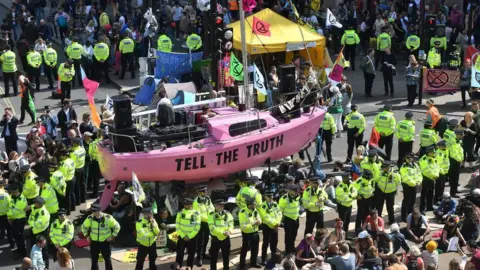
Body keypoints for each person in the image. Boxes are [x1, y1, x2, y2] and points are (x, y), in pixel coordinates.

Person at [81, 203, 120, 270]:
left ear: (99, 211)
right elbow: (83, 227)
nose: (92, 213)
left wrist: (112, 236)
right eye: (92, 211)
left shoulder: (108, 218)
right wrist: (86, 236)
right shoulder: (90, 218)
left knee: (107, 260)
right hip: (94, 242)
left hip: (105, 243)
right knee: (94, 261)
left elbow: (117, 226)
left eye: (94, 211)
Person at [208, 198, 233, 270]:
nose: (222, 206)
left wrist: (230, 231)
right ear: (215, 206)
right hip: (215, 240)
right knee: (213, 257)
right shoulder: (211, 215)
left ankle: (226, 268)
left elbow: (231, 223)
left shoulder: (227, 213)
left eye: (223, 205)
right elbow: (212, 228)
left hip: (226, 239)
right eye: (220, 205)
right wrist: (222, 233)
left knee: (226, 256)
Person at [175, 197, 201, 268]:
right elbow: (177, 225)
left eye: (187, 204)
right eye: (185, 204)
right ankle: (178, 268)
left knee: (191, 254)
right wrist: (183, 236)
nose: (185, 206)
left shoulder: (196, 213)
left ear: (191, 205)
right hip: (181, 237)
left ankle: (189, 267)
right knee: (180, 254)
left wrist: (189, 236)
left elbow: (197, 227)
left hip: (192, 238)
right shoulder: (180, 213)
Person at [193, 185, 214, 266]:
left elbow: (211, 208)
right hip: (201, 223)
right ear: (199, 192)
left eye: (206, 191)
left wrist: (211, 216)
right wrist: (208, 219)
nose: (206, 192)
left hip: (208, 222)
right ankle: (199, 258)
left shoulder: (208, 198)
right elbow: (198, 215)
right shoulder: (196, 202)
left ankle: (204, 254)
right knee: (200, 241)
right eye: (204, 191)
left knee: (206, 239)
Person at [259, 191, 282, 265]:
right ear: (265, 197)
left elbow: (279, 213)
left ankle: (273, 257)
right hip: (267, 227)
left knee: (274, 243)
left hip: (275, 226)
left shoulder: (275, 204)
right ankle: (263, 259)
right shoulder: (262, 206)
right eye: (269, 196)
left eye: (272, 196)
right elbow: (266, 218)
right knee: (265, 243)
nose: (271, 198)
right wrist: (275, 224)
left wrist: (277, 223)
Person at [239, 197, 262, 269]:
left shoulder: (255, 211)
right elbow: (243, 227)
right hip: (247, 234)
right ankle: (242, 265)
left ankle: (253, 262)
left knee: (255, 249)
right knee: (244, 250)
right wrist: (253, 223)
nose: (255, 205)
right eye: (254, 204)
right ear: (249, 205)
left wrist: (259, 222)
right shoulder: (242, 212)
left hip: (255, 233)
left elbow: (260, 220)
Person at [279, 184, 301, 254]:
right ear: (290, 191)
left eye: (297, 191)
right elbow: (280, 211)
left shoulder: (297, 196)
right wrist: (280, 221)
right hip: (288, 219)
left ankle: (292, 247)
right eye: (294, 191)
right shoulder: (284, 199)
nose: (296, 192)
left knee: (294, 234)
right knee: (288, 235)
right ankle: (287, 249)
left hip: (296, 218)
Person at [400, 153, 422, 221]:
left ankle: (410, 214)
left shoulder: (415, 165)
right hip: (407, 185)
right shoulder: (404, 166)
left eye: (410, 158)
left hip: (414, 185)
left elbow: (419, 173)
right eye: (407, 158)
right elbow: (405, 177)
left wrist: (419, 181)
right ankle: (404, 216)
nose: (409, 159)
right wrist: (414, 183)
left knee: (412, 200)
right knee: (406, 201)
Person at [419, 145, 440, 214]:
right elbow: (426, 171)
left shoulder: (433, 158)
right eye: (433, 151)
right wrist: (434, 176)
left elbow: (436, 167)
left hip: (432, 178)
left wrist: (436, 174)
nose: (434, 152)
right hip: (426, 178)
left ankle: (429, 206)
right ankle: (422, 209)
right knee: (424, 194)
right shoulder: (424, 159)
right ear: (428, 152)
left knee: (431, 193)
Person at [59, 149, 75, 215]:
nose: (60, 156)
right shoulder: (71, 160)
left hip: (67, 181)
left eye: (61, 155)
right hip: (72, 178)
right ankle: (73, 207)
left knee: (66, 197)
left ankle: (67, 210)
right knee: (72, 194)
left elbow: (63, 176)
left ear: (64, 156)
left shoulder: (64, 164)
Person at [70, 137, 86, 205]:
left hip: (76, 170)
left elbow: (71, 161)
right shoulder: (82, 149)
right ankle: (83, 199)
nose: (71, 143)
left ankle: (78, 201)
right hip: (82, 168)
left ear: (75, 143)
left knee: (77, 186)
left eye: (72, 142)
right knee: (82, 184)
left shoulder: (74, 153)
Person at [449, 130, 464, 197]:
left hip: (457, 161)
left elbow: (460, 151)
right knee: (453, 177)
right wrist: (459, 159)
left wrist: (461, 159)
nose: (463, 136)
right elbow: (453, 154)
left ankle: (455, 190)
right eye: (461, 135)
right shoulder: (453, 142)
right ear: (457, 135)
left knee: (456, 177)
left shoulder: (458, 141)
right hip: (453, 161)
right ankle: (452, 193)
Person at [0, 179, 13, 248]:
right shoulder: (5, 194)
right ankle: (12, 244)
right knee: (9, 230)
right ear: (3, 186)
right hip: (5, 215)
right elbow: (10, 203)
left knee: (1, 228)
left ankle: (1, 236)